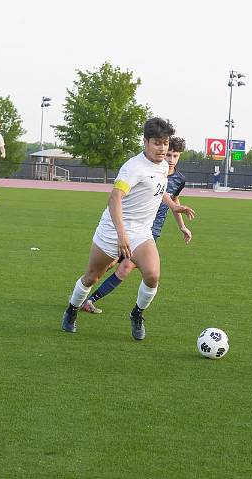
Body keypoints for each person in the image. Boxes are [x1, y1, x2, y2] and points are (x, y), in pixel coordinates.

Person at [60, 118, 195, 340]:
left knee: (152, 275)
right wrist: (121, 234)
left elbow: (159, 190)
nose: (162, 149)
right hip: (113, 229)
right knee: (92, 277)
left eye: (165, 143)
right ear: (145, 142)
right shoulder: (133, 168)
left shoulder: (163, 166)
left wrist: (174, 206)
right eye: (157, 143)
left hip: (141, 231)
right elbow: (114, 199)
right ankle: (71, 310)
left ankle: (137, 314)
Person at [82, 136, 192, 314]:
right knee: (106, 267)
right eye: (169, 154)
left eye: (175, 156)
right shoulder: (145, 169)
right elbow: (117, 197)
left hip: (150, 231)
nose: (171, 160)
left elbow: (173, 199)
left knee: (126, 267)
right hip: (129, 225)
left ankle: (91, 300)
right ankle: (82, 294)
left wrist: (182, 225)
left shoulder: (179, 179)